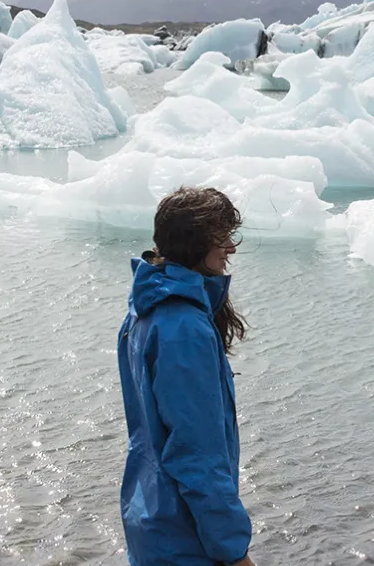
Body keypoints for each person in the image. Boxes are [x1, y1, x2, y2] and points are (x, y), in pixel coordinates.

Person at [117, 187, 256, 566]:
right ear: (195, 241)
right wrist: (233, 550)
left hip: (151, 518)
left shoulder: (145, 308)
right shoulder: (184, 328)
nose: (231, 247)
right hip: (185, 540)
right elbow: (196, 453)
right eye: (221, 236)